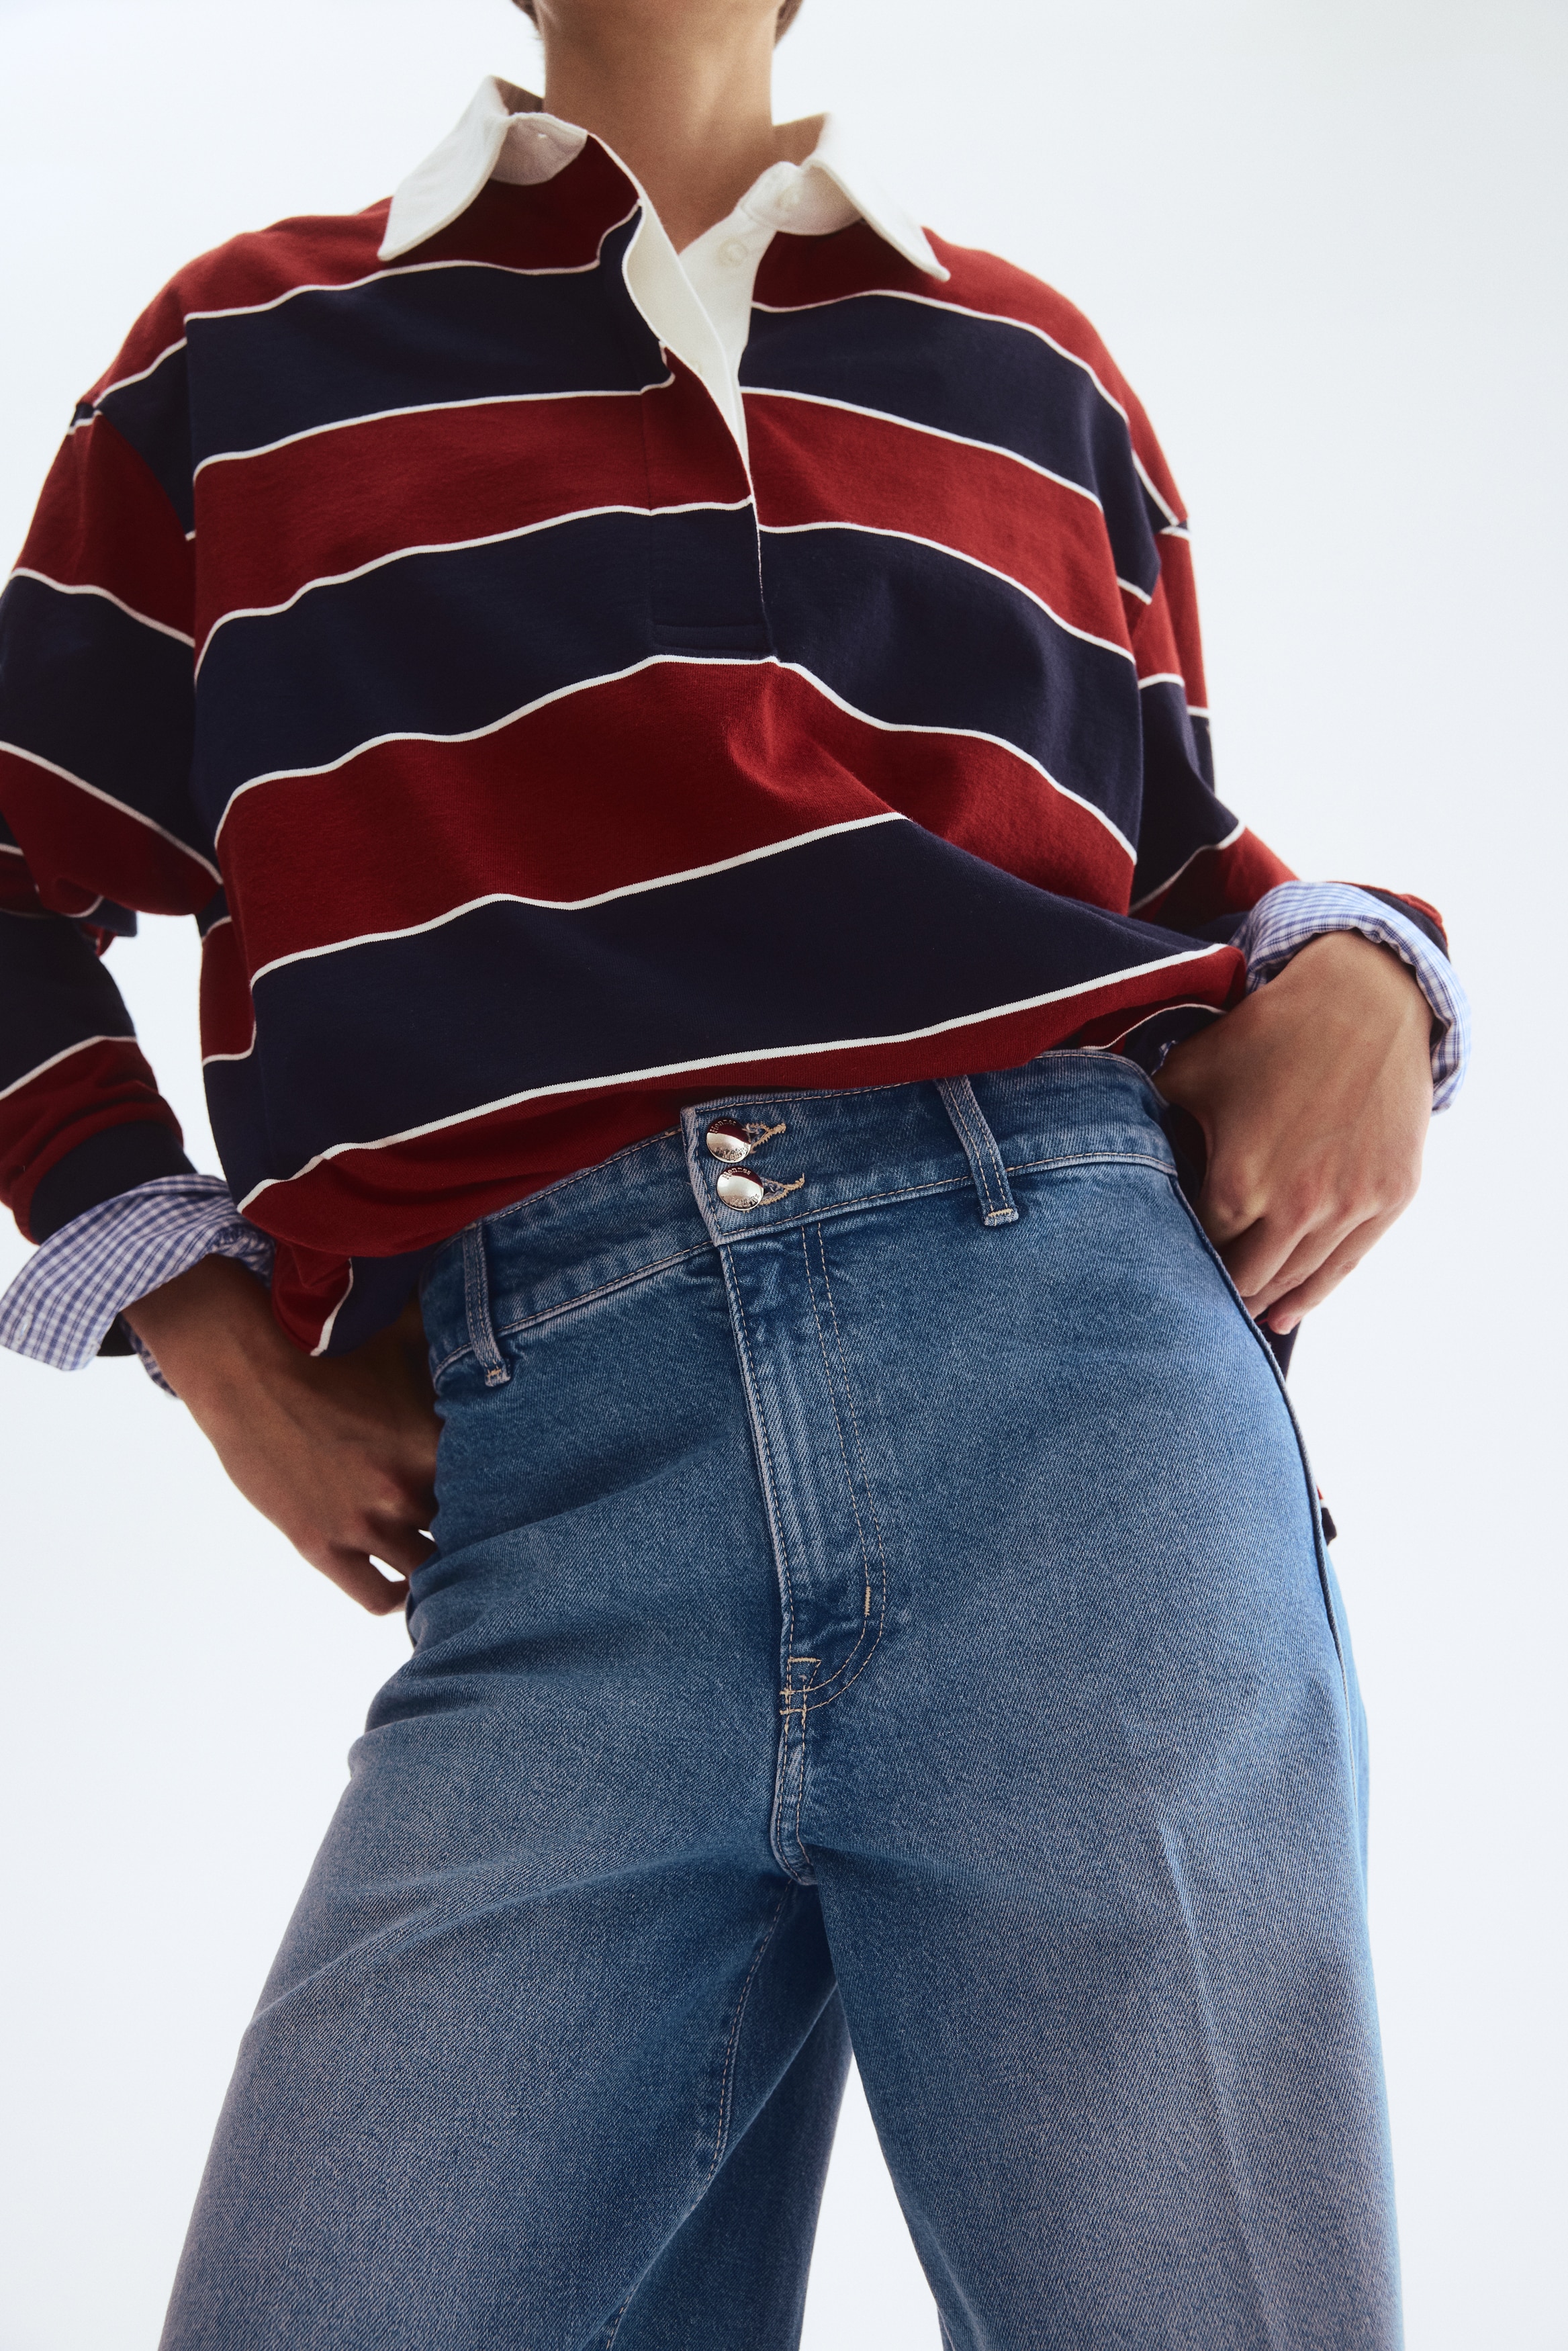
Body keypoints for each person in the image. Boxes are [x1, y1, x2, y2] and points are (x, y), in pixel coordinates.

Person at [0, 0, 1467, 2341]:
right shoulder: (245, 350)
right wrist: (198, 1324)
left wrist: (1376, 965)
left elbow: (1171, 870)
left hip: (1073, 1419)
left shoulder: (1028, 364)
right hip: (553, 1487)